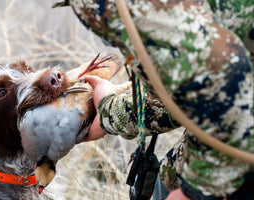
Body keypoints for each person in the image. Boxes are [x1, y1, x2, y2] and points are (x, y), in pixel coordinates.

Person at [55, 0, 254, 199]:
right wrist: (110, 113)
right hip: (233, 111)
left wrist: (196, 192)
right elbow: (189, 79)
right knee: (167, 179)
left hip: (239, 132)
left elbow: (223, 79)